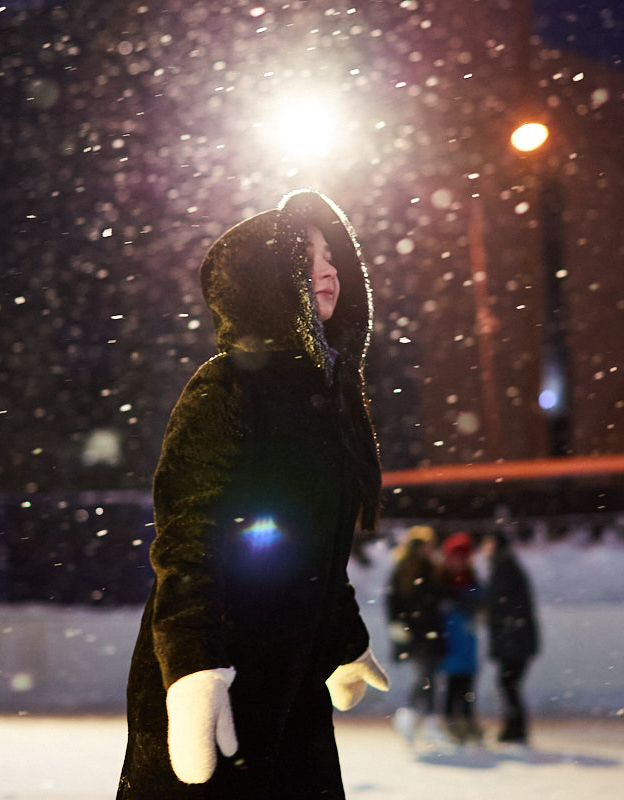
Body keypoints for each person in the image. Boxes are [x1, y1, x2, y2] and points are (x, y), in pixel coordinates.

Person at [117, 190, 390, 799]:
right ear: (266, 282)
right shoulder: (226, 390)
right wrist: (192, 670)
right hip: (223, 674)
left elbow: (315, 551)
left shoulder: (331, 402)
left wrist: (344, 640)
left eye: (331, 256)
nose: (328, 270)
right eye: (306, 259)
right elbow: (188, 543)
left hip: (292, 679)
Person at [384, 525, 447, 744]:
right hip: (422, 633)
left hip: (422, 632)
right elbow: (394, 600)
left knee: (426, 677)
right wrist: (398, 624)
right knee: (427, 677)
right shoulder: (412, 569)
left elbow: (394, 600)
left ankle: (414, 718)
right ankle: (419, 719)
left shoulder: (419, 568)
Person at [482, 531, 540, 744]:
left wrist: (475, 605)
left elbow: (495, 601)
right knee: (510, 684)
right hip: (517, 638)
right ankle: (514, 728)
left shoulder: (503, 567)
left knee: (508, 683)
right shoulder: (509, 566)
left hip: (513, 640)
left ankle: (515, 729)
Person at [437, 531, 483, 745]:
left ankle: (466, 722)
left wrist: (462, 604)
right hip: (450, 642)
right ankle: (451, 724)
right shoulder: (443, 581)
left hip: (465, 642)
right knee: (451, 687)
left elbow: (480, 602)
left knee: (466, 687)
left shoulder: (471, 580)